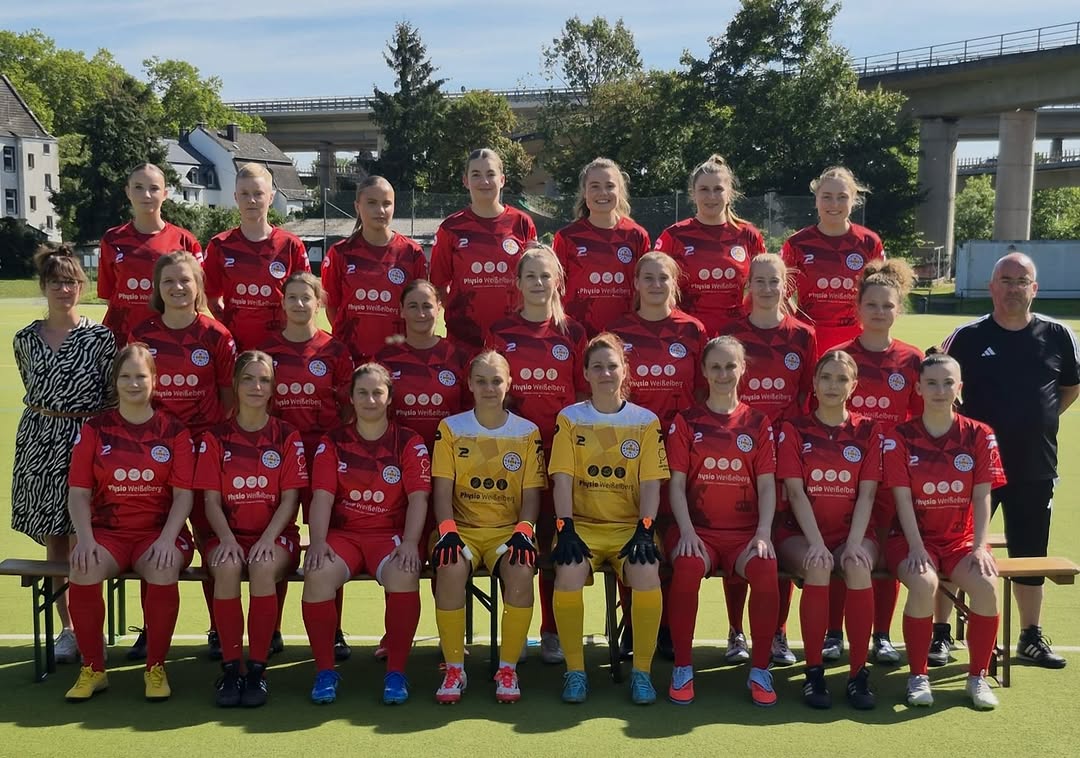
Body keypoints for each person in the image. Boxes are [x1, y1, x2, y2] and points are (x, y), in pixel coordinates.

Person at [942, 251, 1079, 668]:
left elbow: (1071, 387)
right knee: (954, 547)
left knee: (1029, 550)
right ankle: (940, 633)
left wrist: (1040, 418)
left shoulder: (1058, 334)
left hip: (1034, 465)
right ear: (992, 286)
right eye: (1006, 279)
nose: (1014, 288)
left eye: (1022, 281)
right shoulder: (966, 336)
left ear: (1034, 288)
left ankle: (1030, 635)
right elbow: (938, 384)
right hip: (970, 467)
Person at [63, 344, 195, 702]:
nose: (133, 383)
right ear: (115, 381)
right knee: (84, 567)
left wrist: (168, 540)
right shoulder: (95, 429)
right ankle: (93, 669)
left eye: (141, 376)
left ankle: (155, 667)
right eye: (125, 377)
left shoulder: (174, 430)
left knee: (162, 567)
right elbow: (78, 492)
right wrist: (85, 541)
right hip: (108, 534)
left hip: (160, 533)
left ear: (154, 380)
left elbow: (184, 495)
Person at [127, 251, 237, 661]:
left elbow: (228, 397)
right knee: (153, 536)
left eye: (185, 281)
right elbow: (134, 394)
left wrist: (209, 441)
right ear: (157, 288)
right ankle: (150, 629)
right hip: (154, 452)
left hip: (206, 450)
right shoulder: (143, 334)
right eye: (169, 281)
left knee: (210, 536)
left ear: (199, 286)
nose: (177, 288)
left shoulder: (216, 335)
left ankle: (215, 626)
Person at [549, 332, 669, 705]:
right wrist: (564, 527)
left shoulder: (645, 421)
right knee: (568, 570)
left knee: (647, 572)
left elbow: (651, 484)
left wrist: (646, 529)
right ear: (585, 373)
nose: (605, 373)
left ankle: (643, 673)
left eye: (612, 366)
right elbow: (563, 479)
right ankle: (575, 671)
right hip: (581, 526)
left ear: (624, 371)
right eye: (597, 367)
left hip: (629, 529)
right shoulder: (570, 418)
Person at [884, 351, 1007, 710]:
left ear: (960, 388)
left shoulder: (980, 434)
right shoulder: (900, 436)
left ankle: (977, 677)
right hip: (906, 539)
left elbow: (982, 497)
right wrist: (917, 547)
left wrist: (980, 546)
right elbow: (902, 500)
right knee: (924, 583)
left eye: (948, 383)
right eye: (932, 383)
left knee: (986, 586)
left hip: (959, 540)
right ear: (918, 388)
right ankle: (917, 676)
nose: (940, 390)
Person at [302, 363, 431, 705]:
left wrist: (409, 543)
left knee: (404, 572)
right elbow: (321, 498)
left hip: (388, 537)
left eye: (377, 392)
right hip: (343, 537)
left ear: (389, 398)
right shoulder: (333, 441)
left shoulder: (408, 441)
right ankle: (325, 671)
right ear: (352, 397)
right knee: (316, 574)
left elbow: (419, 499)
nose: (370, 399)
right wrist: (316, 543)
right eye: (363, 392)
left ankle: (396, 673)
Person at [12, 245, 116, 664]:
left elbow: (110, 396)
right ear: (43, 286)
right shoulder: (25, 339)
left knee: (85, 539)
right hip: (39, 442)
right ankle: (68, 630)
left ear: (82, 285)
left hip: (86, 439)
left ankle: (93, 629)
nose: (63, 288)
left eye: (71, 281)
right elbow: (34, 389)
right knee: (55, 541)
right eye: (55, 281)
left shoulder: (100, 338)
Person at [486, 244, 589, 666]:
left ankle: (551, 630)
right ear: (518, 282)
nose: (539, 283)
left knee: (554, 539)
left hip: (563, 457)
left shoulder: (574, 333)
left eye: (547, 276)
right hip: (512, 456)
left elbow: (584, 396)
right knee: (521, 543)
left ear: (558, 281)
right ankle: (517, 630)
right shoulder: (501, 331)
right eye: (531, 276)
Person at [666, 336, 779, 707]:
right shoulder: (686, 421)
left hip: (745, 535)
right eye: (715, 366)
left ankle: (760, 669)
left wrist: (763, 533)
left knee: (764, 567)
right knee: (684, 566)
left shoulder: (758, 423)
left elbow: (765, 487)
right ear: (703, 371)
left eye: (731, 366)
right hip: (700, 533)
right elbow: (677, 486)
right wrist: (686, 531)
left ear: (743, 369)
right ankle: (683, 667)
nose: (723, 373)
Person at [429, 351, 546, 704]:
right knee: (449, 567)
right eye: (481, 381)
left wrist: (525, 529)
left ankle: (508, 668)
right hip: (459, 529)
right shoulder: (451, 428)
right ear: (469, 385)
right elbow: (441, 491)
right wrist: (447, 528)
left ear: (509, 383)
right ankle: (453, 668)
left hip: (507, 532)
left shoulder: (527, 432)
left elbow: (531, 495)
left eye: (496, 380)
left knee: (522, 570)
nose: (489, 388)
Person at [194, 351, 308, 707]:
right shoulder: (216, 437)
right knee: (227, 566)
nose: (256, 387)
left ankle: (257, 669)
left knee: (261, 566)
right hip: (227, 535)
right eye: (248, 379)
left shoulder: (287, 435)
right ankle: (231, 668)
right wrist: (227, 538)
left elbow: (290, 499)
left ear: (273, 388)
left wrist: (267, 539)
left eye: (263, 380)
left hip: (275, 537)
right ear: (236, 384)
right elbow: (210, 502)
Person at [825, 259, 923, 667]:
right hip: (841, 474)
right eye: (872, 305)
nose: (880, 312)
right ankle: (833, 632)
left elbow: (918, 422)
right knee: (840, 548)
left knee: (881, 552)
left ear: (898, 309)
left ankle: (881, 635)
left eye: (888, 305)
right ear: (858, 309)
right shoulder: (839, 357)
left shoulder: (912, 359)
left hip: (892, 477)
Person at [776, 350, 883, 710]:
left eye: (841, 379)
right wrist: (818, 544)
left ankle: (857, 674)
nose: (833, 385)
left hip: (853, 532)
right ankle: (814, 672)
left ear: (854, 386)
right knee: (819, 564)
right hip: (800, 534)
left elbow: (867, 493)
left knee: (856, 564)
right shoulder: (795, 429)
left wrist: (853, 543)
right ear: (814, 382)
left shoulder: (869, 431)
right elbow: (794, 492)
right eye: (826, 377)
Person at [725, 253, 817, 667]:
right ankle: (735, 630)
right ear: (749, 285)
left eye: (774, 281)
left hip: (787, 452)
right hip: (738, 448)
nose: (766, 288)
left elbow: (806, 398)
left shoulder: (803, 335)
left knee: (777, 541)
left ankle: (778, 631)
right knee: (741, 534)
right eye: (759, 281)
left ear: (787, 286)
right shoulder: (730, 332)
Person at [261, 272, 354, 658]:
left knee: (328, 544)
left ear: (319, 303)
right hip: (276, 459)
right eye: (293, 298)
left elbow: (348, 411)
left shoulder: (335, 351)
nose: (300, 305)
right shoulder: (267, 351)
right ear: (282, 303)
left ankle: (333, 630)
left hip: (323, 458)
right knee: (277, 539)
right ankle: (273, 628)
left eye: (307, 298)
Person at [429, 148, 537, 351]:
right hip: (464, 340)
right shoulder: (450, 228)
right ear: (465, 181)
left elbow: (535, 278)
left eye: (490, 174)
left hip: (515, 337)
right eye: (476, 175)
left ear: (502, 180)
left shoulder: (521, 223)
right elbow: (439, 286)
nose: (484, 181)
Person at [203, 163, 311, 351]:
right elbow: (211, 297)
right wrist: (228, 325)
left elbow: (308, 295)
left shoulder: (291, 245)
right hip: (236, 348)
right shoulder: (219, 245)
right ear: (236, 197)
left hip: (282, 348)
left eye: (258, 193)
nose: (251, 200)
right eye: (244, 194)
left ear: (271, 197)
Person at [655, 155, 766, 335]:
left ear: (729, 194)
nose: (711, 196)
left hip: (736, 335)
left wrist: (746, 315)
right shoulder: (674, 236)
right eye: (704, 189)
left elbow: (766, 282)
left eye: (718, 189)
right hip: (685, 334)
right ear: (693, 193)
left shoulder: (748, 235)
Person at [321, 176, 428, 363]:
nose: (380, 210)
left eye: (387, 204)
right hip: (351, 357)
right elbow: (332, 306)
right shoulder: (340, 253)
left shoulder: (411, 253)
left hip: (399, 357)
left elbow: (422, 307)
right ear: (357, 206)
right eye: (371, 203)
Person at [781, 166, 885, 357]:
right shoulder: (797, 243)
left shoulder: (870, 242)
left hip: (858, 340)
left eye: (842, 197)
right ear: (816, 199)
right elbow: (780, 294)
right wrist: (799, 325)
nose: (834, 204)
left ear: (853, 200)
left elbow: (883, 295)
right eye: (827, 196)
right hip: (809, 340)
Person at [98, 163, 202, 346]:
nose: (146, 195)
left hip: (170, 343)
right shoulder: (112, 239)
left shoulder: (185, 240)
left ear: (165, 194)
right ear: (128, 192)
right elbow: (109, 296)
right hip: (121, 342)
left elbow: (197, 298)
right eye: (138, 188)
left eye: (154, 188)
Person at [553, 157, 651, 337]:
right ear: (584, 192)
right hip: (578, 335)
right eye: (595, 186)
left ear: (620, 191)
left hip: (627, 336)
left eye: (610, 186)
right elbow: (555, 291)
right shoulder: (567, 238)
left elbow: (646, 288)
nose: (603, 192)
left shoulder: (636, 236)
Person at [377, 280, 469, 452]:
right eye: (413, 306)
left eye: (427, 306)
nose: (421, 314)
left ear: (439, 308)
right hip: (399, 457)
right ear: (402, 310)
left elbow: (470, 410)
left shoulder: (458, 357)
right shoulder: (385, 359)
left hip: (450, 456)